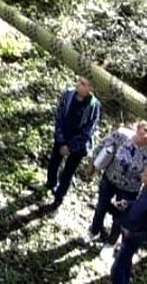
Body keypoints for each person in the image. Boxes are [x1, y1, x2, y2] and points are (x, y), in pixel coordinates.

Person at [84, 121, 147, 245]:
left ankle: (111, 243)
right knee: (101, 206)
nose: (146, 135)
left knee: (120, 216)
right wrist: (92, 165)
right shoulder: (121, 135)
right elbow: (102, 146)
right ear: (139, 127)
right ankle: (94, 230)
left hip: (129, 189)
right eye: (145, 130)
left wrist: (144, 197)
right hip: (109, 179)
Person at [45, 76, 101, 210]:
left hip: (79, 145)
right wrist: (61, 140)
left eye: (83, 84)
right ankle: (50, 184)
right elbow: (59, 115)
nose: (78, 85)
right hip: (62, 137)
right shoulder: (68, 94)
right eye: (79, 81)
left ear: (91, 88)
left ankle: (59, 196)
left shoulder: (94, 105)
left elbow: (88, 130)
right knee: (54, 162)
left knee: (68, 171)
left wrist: (70, 146)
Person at [109, 163, 147, 284]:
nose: (141, 175)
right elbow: (139, 204)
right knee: (125, 264)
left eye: (145, 175)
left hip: (133, 238)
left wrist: (131, 234)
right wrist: (128, 204)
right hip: (128, 230)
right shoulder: (146, 188)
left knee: (116, 271)